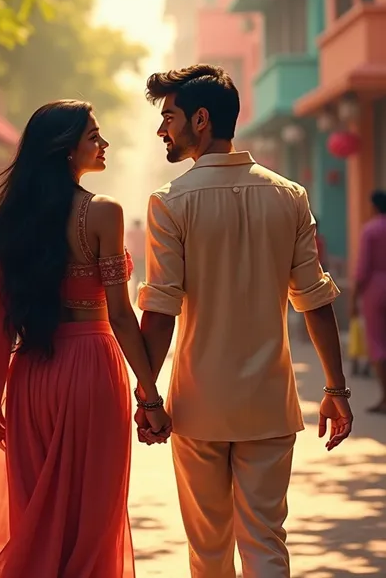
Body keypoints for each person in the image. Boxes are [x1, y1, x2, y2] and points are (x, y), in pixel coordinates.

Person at [0, 100, 171, 578]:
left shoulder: (15, 220)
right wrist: (150, 392)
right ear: (65, 149)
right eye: (94, 136)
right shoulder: (103, 213)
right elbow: (119, 313)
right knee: (92, 525)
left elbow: (3, 325)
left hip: (32, 376)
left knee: (35, 520)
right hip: (92, 370)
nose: (104, 143)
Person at [135, 65, 353, 578]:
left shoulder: (170, 203)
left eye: (168, 116)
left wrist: (149, 397)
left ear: (201, 119)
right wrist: (336, 389)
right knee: (266, 544)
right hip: (268, 404)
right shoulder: (290, 195)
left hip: (199, 405)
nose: (162, 129)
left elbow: (160, 311)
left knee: (208, 551)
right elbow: (314, 299)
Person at [352, 189, 386, 414]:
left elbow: (362, 268)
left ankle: (385, 395)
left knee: (377, 344)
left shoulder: (371, 229)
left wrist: (354, 299)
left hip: (376, 290)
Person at [126, 219, 146, 299]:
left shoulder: (131, 233)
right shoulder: (144, 233)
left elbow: (128, 244)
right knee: (142, 278)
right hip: (142, 258)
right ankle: (141, 297)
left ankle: (134, 297)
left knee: (135, 279)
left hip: (134, 258)